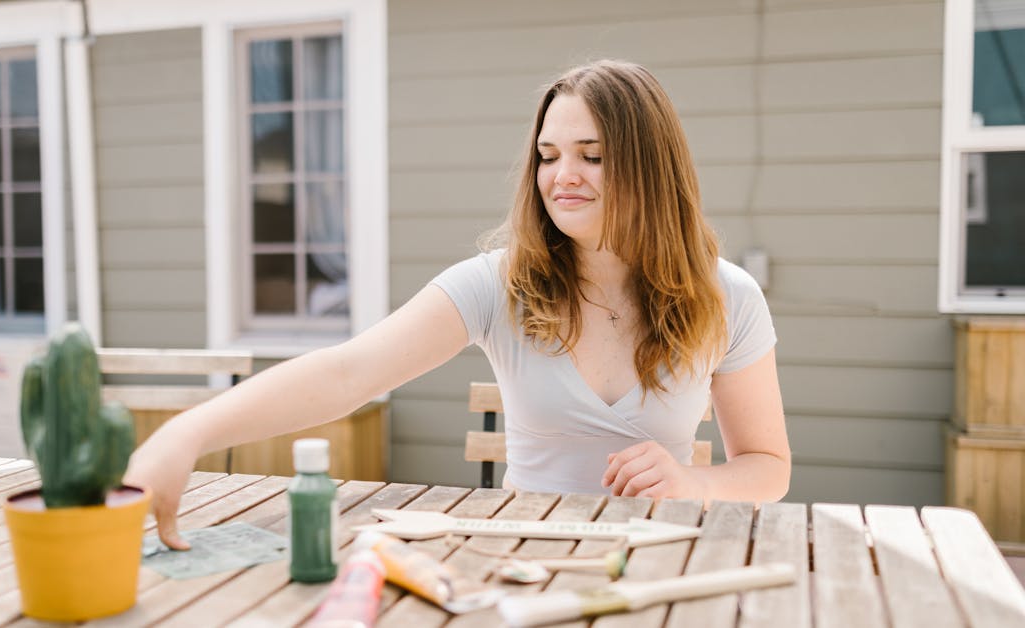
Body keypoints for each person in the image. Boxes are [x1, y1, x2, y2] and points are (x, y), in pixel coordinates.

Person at [125, 60, 791, 550]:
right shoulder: (494, 284)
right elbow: (347, 374)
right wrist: (186, 434)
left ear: (653, 167)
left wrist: (690, 482)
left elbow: (767, 468)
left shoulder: (728, 296)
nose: (562, 177)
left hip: (659, 560)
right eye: (548, 155)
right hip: (520, 555)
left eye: (592, 156)